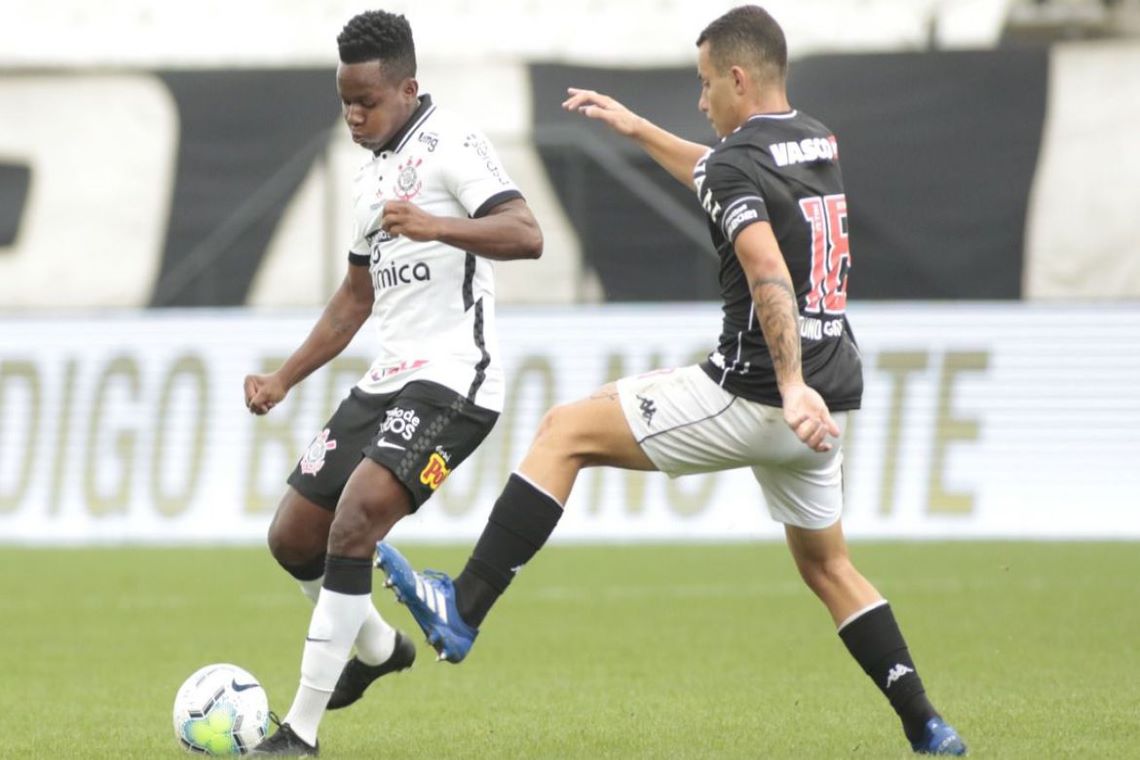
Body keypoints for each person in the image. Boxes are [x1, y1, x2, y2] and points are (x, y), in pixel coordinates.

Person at [376, 5, 967, 756]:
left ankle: (462, 607)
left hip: (759, 395)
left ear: (739, 79)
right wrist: (637, 129)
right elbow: (720, 177)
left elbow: (764, 264)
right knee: (829, 567)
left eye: (705, 83)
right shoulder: (813, 140)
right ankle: (926, 723)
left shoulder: (735, 163)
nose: (700, 99)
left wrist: (788, 386)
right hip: (829, 399)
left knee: (564, 432)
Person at [243, 9, 543, 756]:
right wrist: (284, 378)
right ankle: (378, 648)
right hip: (388, 380)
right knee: (292, 535)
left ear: (408, 88)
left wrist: (440, 226)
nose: (353, 115)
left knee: (354, 523)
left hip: (457, 381)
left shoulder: (453, 145)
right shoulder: (369, 177)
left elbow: (526, 233)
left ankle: (300, 732)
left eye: (366, 101)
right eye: (345, 102)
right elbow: (355, 299)